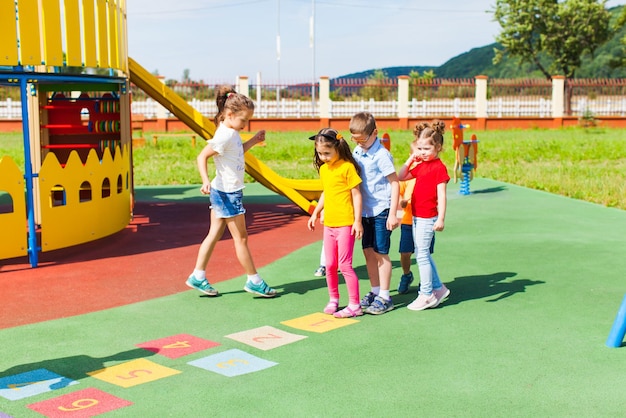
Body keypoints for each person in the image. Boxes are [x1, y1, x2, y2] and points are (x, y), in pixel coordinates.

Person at [186, 86, 277, 298]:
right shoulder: (224, 136)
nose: (245, 124)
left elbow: (236, 152)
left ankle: (198, 276)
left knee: (214, 234)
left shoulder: (232, 132)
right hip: (227, 193)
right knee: (241, 238)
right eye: (244, 120)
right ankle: (254, 280)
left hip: (224, 191)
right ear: (229, 115)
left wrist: (253, 140)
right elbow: (202, 157)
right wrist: (205, 180)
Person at [307, 128, 364, 318]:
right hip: (329, 223)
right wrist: (316, 212)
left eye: (326, 153)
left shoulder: (347, 167)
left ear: (337, 147)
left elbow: (356, 194)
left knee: (344, 265)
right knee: (330, 264)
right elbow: (326, 193)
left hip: (346, 223)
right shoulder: (324, 169)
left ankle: (355, 305)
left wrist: (357, 221)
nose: (323, 157)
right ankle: (333, 299)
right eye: (320, 153)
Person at [350, 112, 400, 315]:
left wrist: (393, 213)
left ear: (375, 133)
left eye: (363, 139)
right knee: (368, 251)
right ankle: (375, 290)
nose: (360, 144)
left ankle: (386, 297)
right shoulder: (358, 150)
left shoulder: (381, 155)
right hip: (365, 211)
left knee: (381, 253)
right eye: (356, 140)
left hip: (381, 209)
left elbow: (395, 183)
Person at [398, 120, 450, 310]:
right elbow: (401, 176)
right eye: (419, 148)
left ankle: (426, 294)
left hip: (429, 217)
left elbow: (442, 196)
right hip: (416, 216)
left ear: (438, 147)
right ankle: (438, 288)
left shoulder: (438, 167)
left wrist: (441, 218)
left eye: (426, 148)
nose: (422, 152)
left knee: (421, 255)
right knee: (423, 253)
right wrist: (411, 159)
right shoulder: (420, 165)